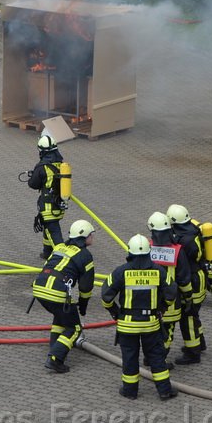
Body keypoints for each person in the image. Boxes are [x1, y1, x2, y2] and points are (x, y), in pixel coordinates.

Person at [101, 234, 179, 401]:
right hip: (151, 324)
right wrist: (163, 307)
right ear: (149, 252)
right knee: (156, 357)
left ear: (130, 251)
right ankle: (165, 391)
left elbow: (106, 296)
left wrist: (115, 312)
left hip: (127, 325)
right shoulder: (159, 271)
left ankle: (130, 391)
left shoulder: (121, 271)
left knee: (130, 358)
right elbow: (172, 293)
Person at [31, 219, 96, 373]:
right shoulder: (85, 255)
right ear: (84, 236)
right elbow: (86, 286)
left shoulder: (60, 247)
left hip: (39, 289)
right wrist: (83, 305)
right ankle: (55, 358)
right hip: (57, 293)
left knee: (60, 317)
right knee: (74, 328)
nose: (93, 238)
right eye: (91, 235)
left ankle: (55, 347)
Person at [146, 211, 192, 369]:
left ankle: (149, 357)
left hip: (149, 300)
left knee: (151, 332)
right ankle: (159, 361)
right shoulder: (177, 251)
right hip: (171, 302)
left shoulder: (146, 249)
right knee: (167, 333)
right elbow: (184, 278)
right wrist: (188, 298)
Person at [166, 203, 208, 364]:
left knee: (187, 317)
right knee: (194, 314)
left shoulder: (183, 240)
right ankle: (200, 343)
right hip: (199, 276)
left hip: (192, 280)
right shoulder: (193, 230)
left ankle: (193, 352)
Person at [27, 133, 69, 259]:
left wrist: (33, 175)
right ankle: (47, 252)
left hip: (48, 206)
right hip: (59, 204)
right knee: (48, 228)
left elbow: (33, 184)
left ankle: (62, 257)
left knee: (53, 232)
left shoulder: (42, 167)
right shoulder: (61, 165)